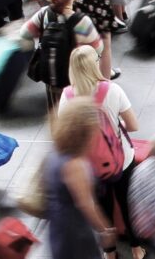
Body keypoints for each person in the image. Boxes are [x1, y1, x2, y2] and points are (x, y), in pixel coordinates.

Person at [58, 45, 144, 259]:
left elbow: (64, 135)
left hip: (90, 166)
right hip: (121, 160)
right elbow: (133, 125)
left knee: (102, 207)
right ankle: (136, 248)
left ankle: (110, 252)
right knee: (127, 203)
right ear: (93, 65)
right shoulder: (112, 90)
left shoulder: (67, 96)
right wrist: (116, 122)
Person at [45, 98, 116, 259]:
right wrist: (104, 230)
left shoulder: (57, 152)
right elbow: (86, 203)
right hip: (74, 229)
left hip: (59, 222)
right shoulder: (75, 164)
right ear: (84, 133)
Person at [18, 0, 103, 109]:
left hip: (51, 76)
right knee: (76, 115)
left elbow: (24, 33)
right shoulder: (81, 21)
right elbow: (98, 48)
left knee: (55, 113)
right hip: (76, 78)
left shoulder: (44, 14)